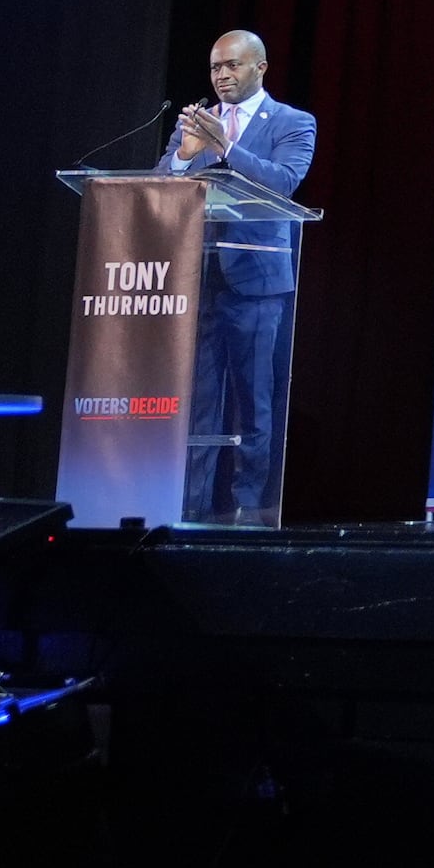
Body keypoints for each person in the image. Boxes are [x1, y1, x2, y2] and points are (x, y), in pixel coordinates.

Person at [161, 30, 316, 526]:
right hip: (198, 277)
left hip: (255, 281)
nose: (221, 76)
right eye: (214, 68)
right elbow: (160, 186)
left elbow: (284, 182)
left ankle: (250, 508)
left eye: (232, 66)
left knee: (253, 401)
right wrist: (185, 155)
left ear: (260, 68)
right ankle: (192, 504)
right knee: (198, 398)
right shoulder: (196, 124)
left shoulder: (293, 122)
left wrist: (226, 147)